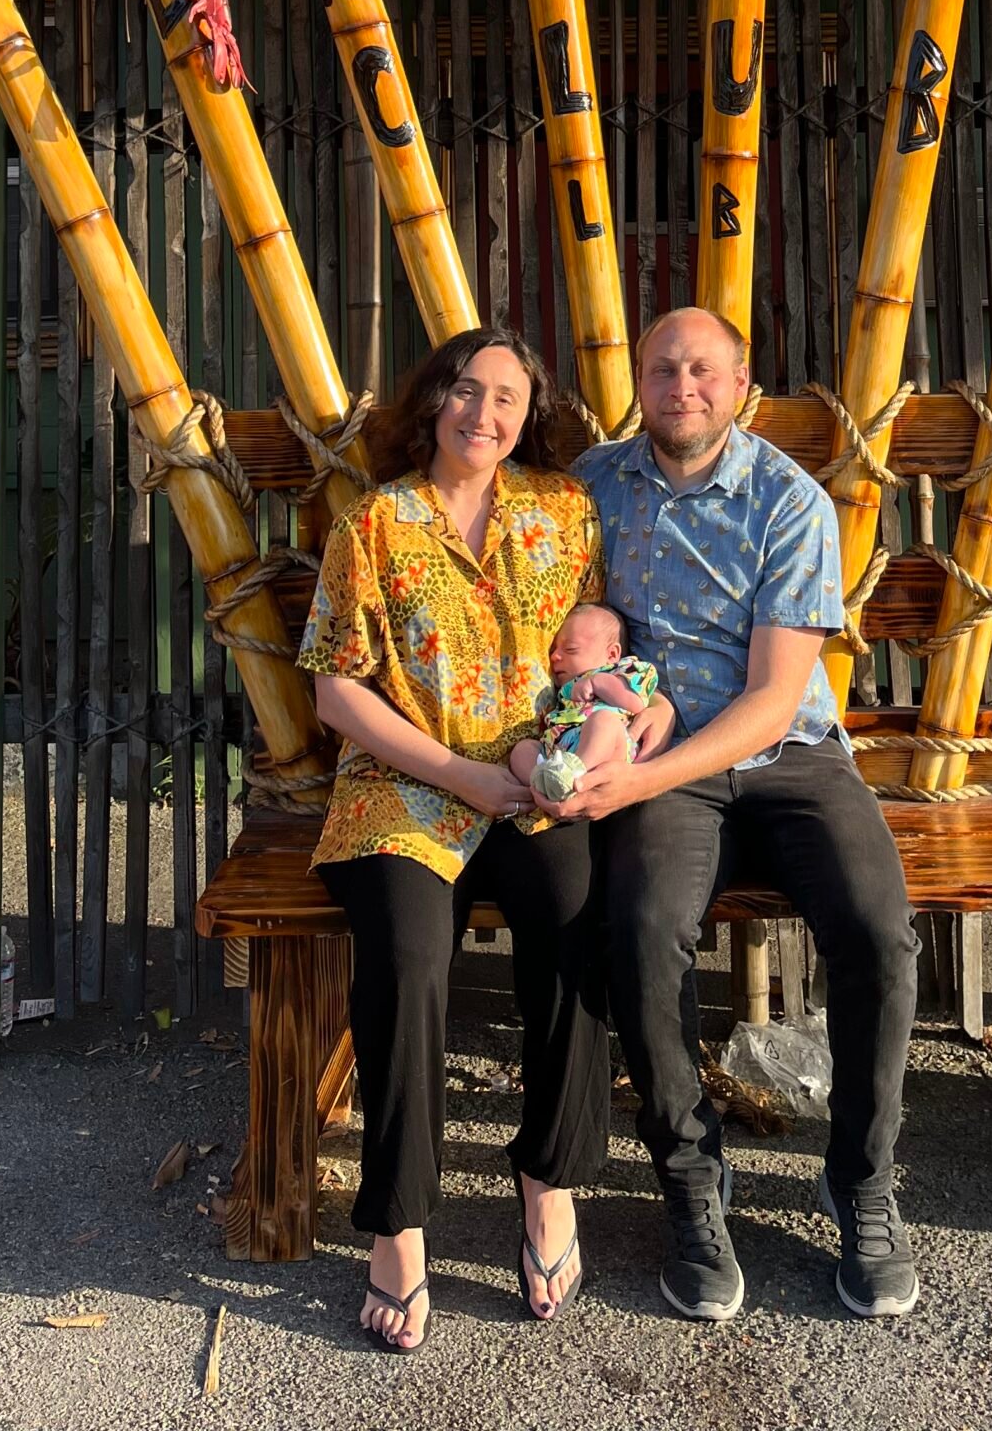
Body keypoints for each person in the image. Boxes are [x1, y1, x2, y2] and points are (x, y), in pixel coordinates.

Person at [556, 307, 920, 1323]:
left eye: (703, 369)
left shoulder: (790, 501)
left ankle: (860, 1177)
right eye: (665, 368)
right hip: (660, 759)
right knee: (639, 930)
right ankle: (690, 1173)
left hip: (790, 754)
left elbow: (769, 699)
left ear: (740, 380)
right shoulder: (592, 487)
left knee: (880, 932)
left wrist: (630, 783)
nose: (684, 387)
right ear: (640, 377)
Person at [298, 327, 611, 1351]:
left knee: (576, 915)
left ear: (530, 415)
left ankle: (548, 1178)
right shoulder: (373, 525)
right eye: (467, 391)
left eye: (508, 398)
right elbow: (337, 688)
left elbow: (599, 653)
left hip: (531, 777)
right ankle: (398, 1221)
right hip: (404, 786)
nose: (486, 413)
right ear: (433, 400)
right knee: (407, 952)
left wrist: (598, 737)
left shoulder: (564, 513)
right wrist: (461, 773)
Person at [509, 601, 660, 802]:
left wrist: (598, 682)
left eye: (570, 649)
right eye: (553, 650)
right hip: (559, 752)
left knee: (603, 721)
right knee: (522, 750)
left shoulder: (627, 670)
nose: (555, 656)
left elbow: (636, 703)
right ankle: (545, 783)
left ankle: (574, 777)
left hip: (611, 749)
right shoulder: (566, 688)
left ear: (612, 654)